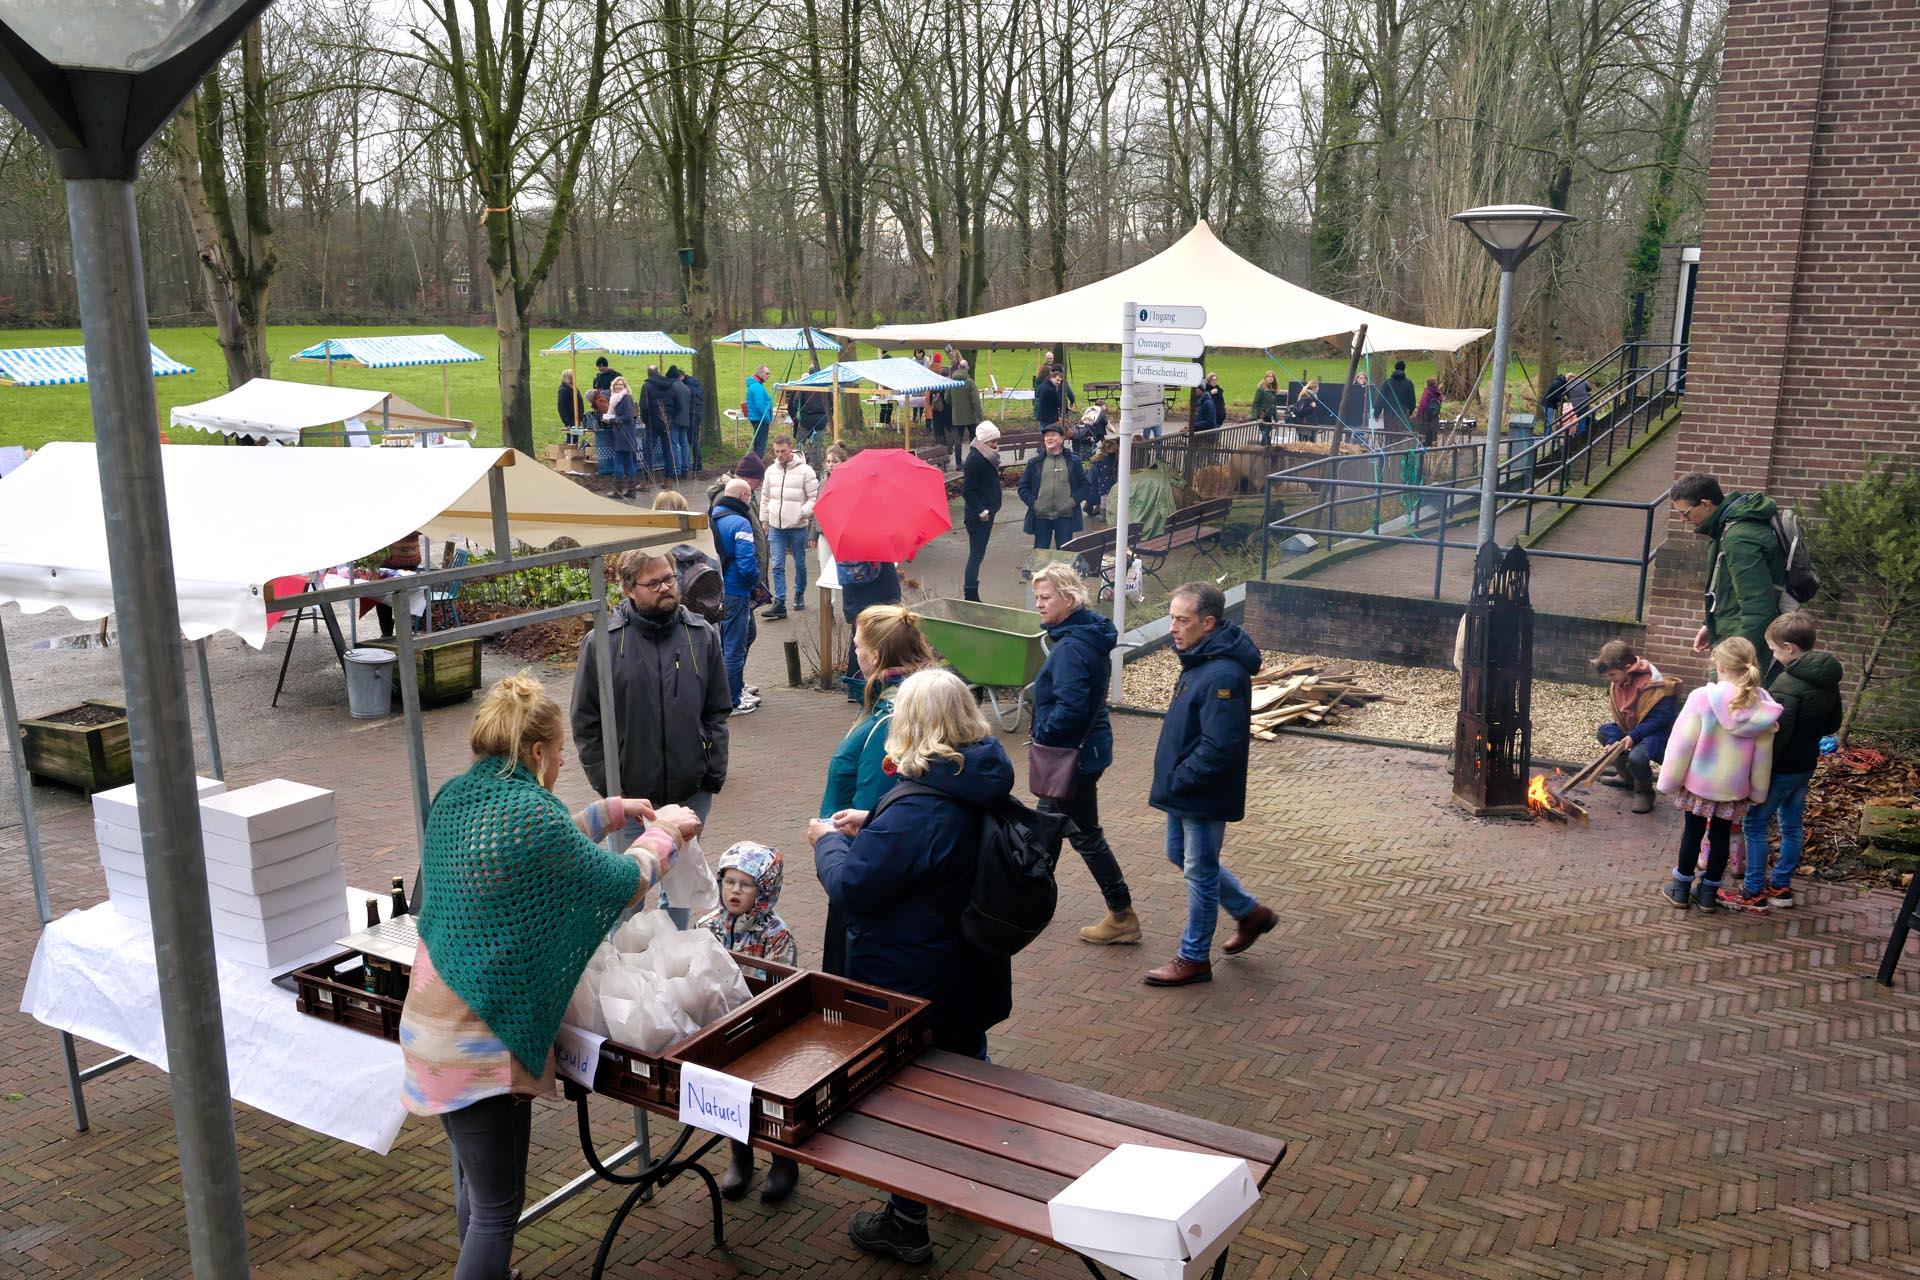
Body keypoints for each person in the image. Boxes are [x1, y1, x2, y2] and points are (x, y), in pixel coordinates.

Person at [401, 674, 703, 1280]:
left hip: (430, 1026)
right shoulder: (528, 814)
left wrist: (608, 812)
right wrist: (664, 833)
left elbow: (535, 848)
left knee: (475, 1187)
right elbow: (616, 882)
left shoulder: (460, 799)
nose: (565, 759)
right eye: (560, 749)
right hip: (480, 1041)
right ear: (536, 751)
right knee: (496, 1211)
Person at [809, 669, 1015, 1265]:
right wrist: (870, 823)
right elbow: (933, 851)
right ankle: (968, 1176)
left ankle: (906, 1220)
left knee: (906, 1089)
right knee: (966, 1061)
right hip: (967, 962)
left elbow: (854, 886)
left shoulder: (920, 803)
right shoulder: (976, 776)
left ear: (916, 723)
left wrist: (827, 838)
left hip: (911, 975)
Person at [1145, 581, 1273, 986]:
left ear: (1209, 622)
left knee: (1199, 870)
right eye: (1171, 618)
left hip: (1201, 793)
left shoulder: (1224, 673)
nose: (1174, 628)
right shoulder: (1201, 657)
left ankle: (1194, 957)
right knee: (1179, 854)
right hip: (1185, 790)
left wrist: (1180, 778)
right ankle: (1250, 912)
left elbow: (1221, 747)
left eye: (1182, 620)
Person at [570, 548, 730, 827]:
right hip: (632, 803)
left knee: (687, 870)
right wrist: (609, 786)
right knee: (635, 871)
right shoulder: (603, 644)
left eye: (669, 579)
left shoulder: (701, 635)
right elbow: (586, 721)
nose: (666, 588)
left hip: (692, 796)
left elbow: (717, 710)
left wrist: (711, 774)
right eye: (653, 584)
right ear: (629, 589)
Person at [818, 605, 937, 973]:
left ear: (876, 655)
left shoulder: (887, 720)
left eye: (857, 645)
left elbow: (873, 814)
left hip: (861, 882)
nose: (855, 652)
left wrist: (832, 850)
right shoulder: (905, 701)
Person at [1030, 562, 1140, 944]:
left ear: (1069, 597)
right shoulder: (1083, 634)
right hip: (1084, 751)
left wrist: (1042, 733)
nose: (1039, 605)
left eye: (1046, 597)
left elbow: (1072, 707)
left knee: (1084, 834)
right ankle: (1030, 897)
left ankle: (1121, 913)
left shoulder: (1074, 646)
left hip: (1072, 757)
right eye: (1037, 598)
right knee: (1046, 825)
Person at [697, 842, 801, 1203]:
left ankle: (783, 1160)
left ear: (766, 889)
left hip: (764, 1030)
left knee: (770, 1095)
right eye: (729, 882)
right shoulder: (707, 926)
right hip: (722, 1028)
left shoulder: (776, 935)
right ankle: (741, 1157)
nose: (735, 891)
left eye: (746, 884)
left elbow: (781, 988)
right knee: (731, 1092)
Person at [1725, 612, 1842, 912]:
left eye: (1775, 650)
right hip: (1806, 765)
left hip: (1781, 769)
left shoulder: (1787, 684)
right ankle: (1781, 885)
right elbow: (1834, 723)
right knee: (1791, 826)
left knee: (1754, 823)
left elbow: (1777, 736)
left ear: (1789, 647)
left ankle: (1753, 891)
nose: (1774, 656)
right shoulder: (1828, 679)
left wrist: (1759, 772)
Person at [1656, 637, 1782, 912]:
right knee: (1722, 836)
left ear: (1720, 666)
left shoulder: (1702, 698)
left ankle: (1680, 890)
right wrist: (1758, 790)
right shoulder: (1761, 707)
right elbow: (1763, 757)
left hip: (1699, 784)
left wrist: (1668, 781)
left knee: (1693, 833)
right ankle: (1708, 895)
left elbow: (1681, 744)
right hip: (1733, 788)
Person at [1670, 472, 1785, 666]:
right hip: (1732, 634)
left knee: (1722, 696)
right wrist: (1710, 624)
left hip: (1739, 646)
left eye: (1685, 512)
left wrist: (1735, 659)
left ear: (1705, 504)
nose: (1683, 519)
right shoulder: (1728, 528)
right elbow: (1727, 588)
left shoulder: (1739, 538)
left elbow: (1758, 606)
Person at [1590, 639, 1681, 814]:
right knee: (1604, 733)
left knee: (1637, 757)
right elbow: (1622, 717)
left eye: (1613, 675)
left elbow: (1661, 718)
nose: (1611, 680)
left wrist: (1634, 736)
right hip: (1632, 728)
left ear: (1628, 668)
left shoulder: (1653, 684)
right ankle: (1627, 778)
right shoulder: (1620, 681)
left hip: (1655, 732)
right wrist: (1613, 740)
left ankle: (1644, 792)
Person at [709, 477, 764, 715]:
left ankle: (730, 689)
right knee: (734, 647)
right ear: (743, 497)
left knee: (726, 642)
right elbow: (746, 564)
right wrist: (756, 583)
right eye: (750, 496)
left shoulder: (712, 517)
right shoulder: (740, 523)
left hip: (717, 589)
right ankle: (731, 701)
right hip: (737, 591)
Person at [759, 434, 818, 620]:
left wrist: (802, 512)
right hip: (777, 526)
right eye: (777, 451)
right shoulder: (770, 471)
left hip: (797, 525)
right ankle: (780, 601)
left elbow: (814, 498)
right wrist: (765, 519)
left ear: (791, 448)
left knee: (800, 563)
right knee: (777, 565)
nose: (780, 455)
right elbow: (765, 497)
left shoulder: (806, 471)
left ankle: (799, 592)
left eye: (783, 451)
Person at [1017, 423, 1090, 550]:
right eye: (1046, 436)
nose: (1048, 438)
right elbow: (1023, 487)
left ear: (1062, 439)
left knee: (1064, 553)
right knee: (1040, 553)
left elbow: (1085, 486)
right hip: (1041, 516)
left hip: (1065, 516)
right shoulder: (1034, 463)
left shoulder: (1074, 461)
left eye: (1053, 435)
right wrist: (1035, 504)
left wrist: (1072, 502)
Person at [961, 421, 1003, 602]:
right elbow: (967, 491)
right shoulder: (975, 460)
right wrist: (981, 511)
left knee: (978, 554)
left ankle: (971, 591)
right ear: (984, 441)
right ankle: (970, 593)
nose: (996, 445)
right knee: (976, 555)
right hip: (979, 516)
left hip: (987, 511)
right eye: (992, 441)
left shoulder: (985, 455)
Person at [605, 375, 640, 499]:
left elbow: (628, 416)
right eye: (616, 385)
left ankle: (618, 491)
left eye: (621, 384)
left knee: (619, 461)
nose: (618, 386)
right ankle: (631, 490)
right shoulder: (617, 399)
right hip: (626, 433)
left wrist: (612, 420)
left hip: (624, 433)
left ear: (625, 386)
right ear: (613, 386)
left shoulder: (626, 398)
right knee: (629, 461)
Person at [946, 359, 984, 468]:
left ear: (958, 367)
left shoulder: (952, 383)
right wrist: (981, 416)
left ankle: (958, 463)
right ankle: (973, 460)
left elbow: (947, 399)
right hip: (970, 417)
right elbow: (976, 402)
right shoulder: (969, 382)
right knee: (973, 439)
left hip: (957, 416)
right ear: (966, 368)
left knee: (958, 440)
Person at [640, 365, 676, 478]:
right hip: (667, 421)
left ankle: (648, 477)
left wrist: (646, 420)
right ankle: (669, 476)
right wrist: (671, 417)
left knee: (648, 450)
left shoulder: (646, 386)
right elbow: (677, 404)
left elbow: (644, 407)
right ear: (659, 372)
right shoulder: (671, 385)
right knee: (668, 450)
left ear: (648, 374)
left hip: (652, 423)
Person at [666, 364, 694, 479]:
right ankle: (686, 468)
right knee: (684, 444)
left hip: (675, 419)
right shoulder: (686, 387)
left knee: (674, 445)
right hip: (685, 419)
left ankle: (676, 469)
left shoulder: (671, 387)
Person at [745, 364, 775, 458]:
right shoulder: (757, 387)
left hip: (758, 418)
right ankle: (757, 463)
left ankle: (756, 462)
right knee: (760, 445)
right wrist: (767, 419)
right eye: (767, 373)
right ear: (761, 373)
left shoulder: (757, 385)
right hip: (760, 419)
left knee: (758, 443)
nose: (768, 376)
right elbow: (760, 406)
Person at [682, 367, 706, 472]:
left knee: (692, 439)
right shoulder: (694, 382)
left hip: (693, 414)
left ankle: (697, 463)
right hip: (698, 413)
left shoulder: (688, 386)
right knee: (694, 439)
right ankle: (697, 462)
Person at [1387, 360, 1417, 432]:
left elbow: (1382, 397)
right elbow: (1412, 399)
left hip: (1389, 412)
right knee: (1401, 434)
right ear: (1404, 369)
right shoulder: (1409, 383)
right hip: (1403, 412)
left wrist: (1377, 411)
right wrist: (1411, 411)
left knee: (1389, 434)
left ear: (1394, 368)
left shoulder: (1388, 382)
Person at [1251, 371, 1282, 439]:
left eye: (1272, 377)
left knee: (1266, 435)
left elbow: (1274, 407)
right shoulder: (1261, 389)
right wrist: (1254, 417)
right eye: (1269, 376)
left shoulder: (1273, 391)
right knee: (1265, 436)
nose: (1271, 378)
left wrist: (1277, 419)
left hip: (1269, 417)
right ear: (1266, 378)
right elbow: (1255, 403)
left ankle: (1265, 447)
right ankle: (1264, 447)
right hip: (1262, 416)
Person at [1415, 377, 1443, 447]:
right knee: (1433, 436)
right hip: (1435, 417)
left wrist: (1418, 415)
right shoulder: (1438, 393)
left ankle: (1424, 450)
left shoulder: (1426, 392)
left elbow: (1423, 404)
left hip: (1426, 418)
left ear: (1427, 384)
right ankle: (1433, 450)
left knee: (1424, 436)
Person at [558, 369, 583, 444]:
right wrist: (567, 422)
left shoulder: (574, 388)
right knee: (571, 439)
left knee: (575, 438)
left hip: (576, 419)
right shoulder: (563, 390)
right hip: (570, 419)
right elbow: (561, 408)